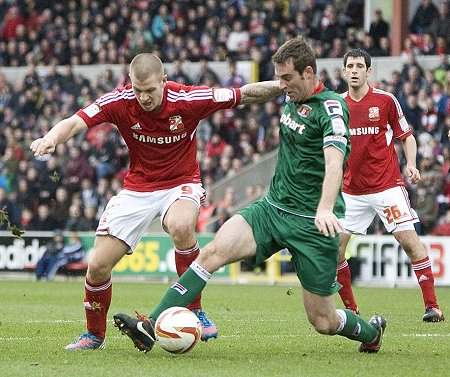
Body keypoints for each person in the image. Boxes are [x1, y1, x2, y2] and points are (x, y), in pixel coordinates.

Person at [113, 37, 386, 355]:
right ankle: (150, 325)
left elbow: (335, 161)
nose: (281, 86)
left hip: (313, 223)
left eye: (287, 79)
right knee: (212, 252)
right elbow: (255, 94)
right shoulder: (291, 97)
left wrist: (326, 208)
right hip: (272, 209)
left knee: (323, 321)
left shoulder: (331, 108)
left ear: (308, 73)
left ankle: (370, 332)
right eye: (278, 78)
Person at [30, 53, 283, 350]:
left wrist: (285, 84)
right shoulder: (121, 101)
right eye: (138, 90)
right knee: (97, 266)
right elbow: (75, 122)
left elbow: (245, 94)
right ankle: (94, 335)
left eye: (150, 90)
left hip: (181, 183)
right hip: (137, 188)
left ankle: (194, 309)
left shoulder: (187, 99)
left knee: (180, 225)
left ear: (164, 81)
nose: (144, 97)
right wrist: (51, 138)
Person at [336, 48, 444, 322]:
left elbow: (406, 135)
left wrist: (411, 163)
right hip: (351, 191)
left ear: (369, 71)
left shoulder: (385, 101)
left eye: (360, 65)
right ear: (344, 71)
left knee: (410, 242)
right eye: (351, 66)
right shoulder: (336, 105)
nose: (355, 70)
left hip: (387, 186)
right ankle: (352, 312)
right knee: (334, 251)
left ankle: (433, 306)